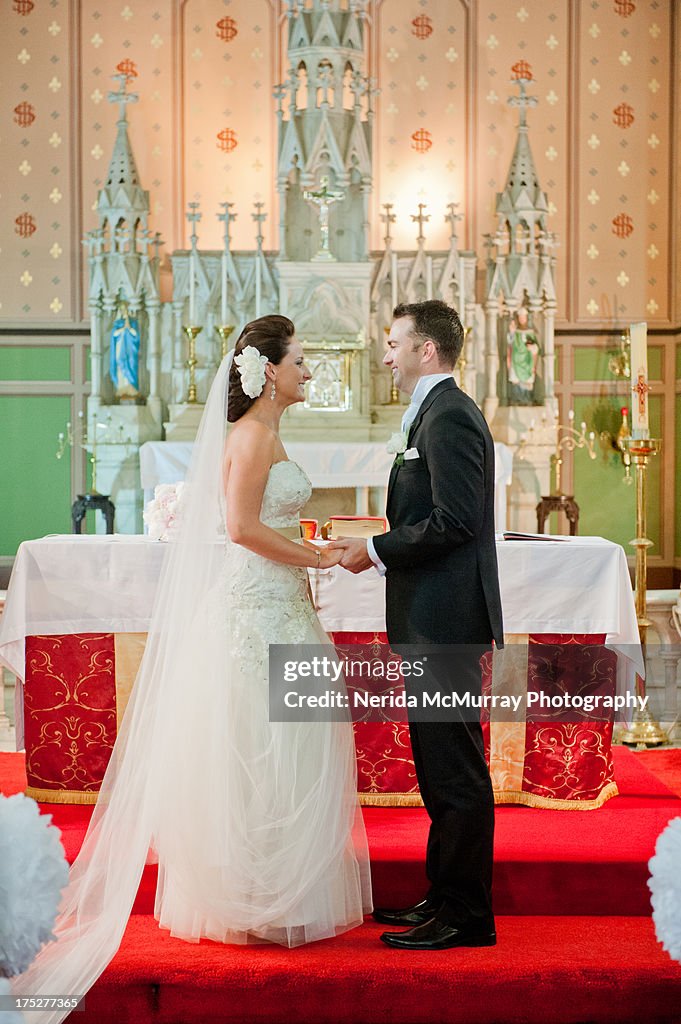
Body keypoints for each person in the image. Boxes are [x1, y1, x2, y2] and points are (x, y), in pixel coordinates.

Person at [12, 315, 372, 1023]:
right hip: (252, 616)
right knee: (249, 754)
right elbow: (239, 530)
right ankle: (245, 897)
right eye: (301, 360)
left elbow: (265, 518)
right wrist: (321, 556)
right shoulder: (248, 436)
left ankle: (278, 893)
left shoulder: (269, 431)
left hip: (282, 607)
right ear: (268, 369)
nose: (310, 370)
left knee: (283, 756)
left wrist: (312, 551)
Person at [330, 300, 504, 951]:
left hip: (445, 621)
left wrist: (374, 548)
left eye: (394, 343)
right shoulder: (434, 411)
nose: (385, 355)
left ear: (425, 350)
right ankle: (447, 895)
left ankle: (465, 916)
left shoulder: (449, 415)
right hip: (433, 617)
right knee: (439, 767)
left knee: (454, 770)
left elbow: (454, 521)